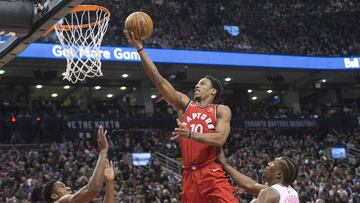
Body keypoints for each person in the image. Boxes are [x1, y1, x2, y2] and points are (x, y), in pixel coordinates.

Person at [124, 30, 238, 203]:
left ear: (213, 91)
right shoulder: (185, 105)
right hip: (189, 175)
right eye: (197, 83)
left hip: (211, 172)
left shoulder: (221, 110)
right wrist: (140, 50)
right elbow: (159, 80)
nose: (197, 85)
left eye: (202, 84)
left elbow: (219, 139)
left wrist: (190, 134)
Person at [42, 126, 109, 203]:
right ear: (54, 196)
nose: (68, 188)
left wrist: (110, 182)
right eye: (62, 186)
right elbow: (93, 190)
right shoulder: (61, 201)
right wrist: (103, 151)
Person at [217, 149, 299, 203]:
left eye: (273, 162)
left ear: (279, 174)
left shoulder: (269, 193)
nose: (269, 163)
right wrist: (226, 165)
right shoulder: (291, 192)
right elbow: (250, 185)